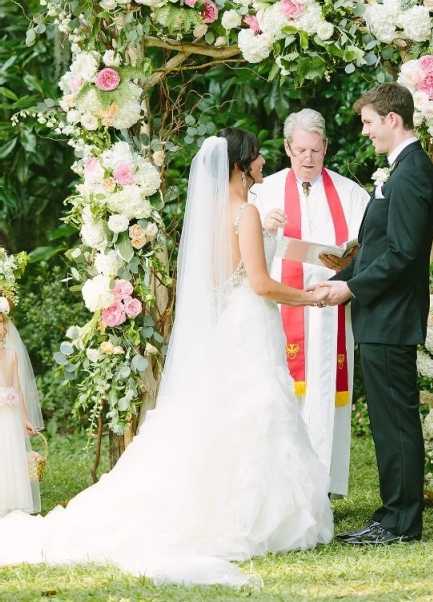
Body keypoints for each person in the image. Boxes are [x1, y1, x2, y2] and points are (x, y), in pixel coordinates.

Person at [0, 129, 333, 587]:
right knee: (256, 411)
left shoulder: (216, 217)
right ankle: (247, 513)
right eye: (256, 158)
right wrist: (311, 298)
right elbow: (260, 283)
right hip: (251, 323)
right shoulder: (248, 212)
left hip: (229, 325)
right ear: (241, 167)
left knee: (229, 417)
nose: (262, 164)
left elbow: (227, 278)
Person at [315, 84, 433, 545]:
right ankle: (392, 516)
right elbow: (384, 247)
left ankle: (399, 524)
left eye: (369, 121)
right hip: (383, 313)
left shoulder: (410, 173)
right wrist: (345, 272)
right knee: (390, 422)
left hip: (391, 315)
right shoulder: (402, 169)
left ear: (392, 119)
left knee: (396, 423)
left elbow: (405, 252)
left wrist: (351, 287)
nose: (365, 131)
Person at [252, 109, 369, 497]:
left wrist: (349, 261)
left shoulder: (351, 194)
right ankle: (282, 488)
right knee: (281, 394)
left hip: (333, 312)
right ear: (287, 147)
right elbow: (246, 258)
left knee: (325, 395)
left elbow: (364, 250)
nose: (307, 158)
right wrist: (265, 229)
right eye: (300, 150)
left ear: (325, 149)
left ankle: (323, 487)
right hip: (280, 310)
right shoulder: (262, 192)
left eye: (315, 151)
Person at [0, 312, 43, 516]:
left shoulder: (11, 354)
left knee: (10, 454)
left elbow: (17, 389)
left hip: (8, 414)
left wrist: (24, 418)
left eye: (1, 323)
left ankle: (10, 500)